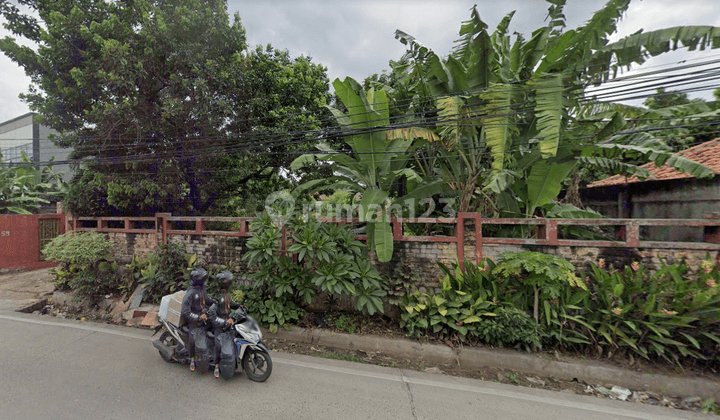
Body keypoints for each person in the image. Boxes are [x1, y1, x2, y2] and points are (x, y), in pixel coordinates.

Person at [208, 270, 243, 378]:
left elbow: (230, 304)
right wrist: (223, 322)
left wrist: (239, 306)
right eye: (227, 280)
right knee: (218, 344)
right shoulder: (216, 296)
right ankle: (216, 365)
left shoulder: (226, 293)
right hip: (219, 324)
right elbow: (212, 315)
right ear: (222, 282)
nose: (229, 282)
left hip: (228, 321)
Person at [180, 267, 217, 372]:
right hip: (193, 322)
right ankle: (194, 360)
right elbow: (185, 312)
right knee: (201, 347)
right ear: (195, 278)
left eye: (203, 277)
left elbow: (207, 299)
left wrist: (216, 302)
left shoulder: (202, 288)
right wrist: (198, 317)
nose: (202, 279)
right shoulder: (190, 293)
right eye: (200, 277)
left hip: (203, 316)